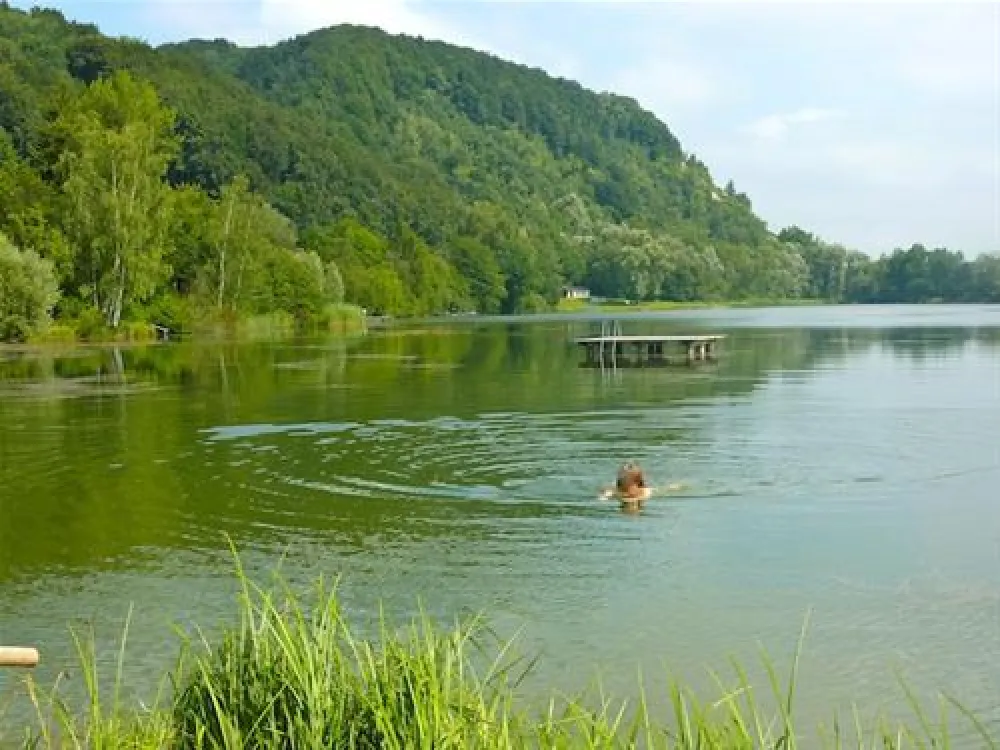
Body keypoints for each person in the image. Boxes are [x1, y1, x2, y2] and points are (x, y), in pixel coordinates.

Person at [599, 461, 684, 510]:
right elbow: (604, 495)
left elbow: (661, 490)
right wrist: (604, 496)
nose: (624, 481)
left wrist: (673, 488)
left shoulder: (646, 492)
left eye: (627, 480)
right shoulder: (615, 492)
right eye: (622, 479)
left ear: (637, 483)